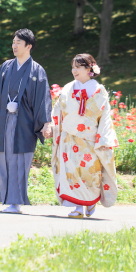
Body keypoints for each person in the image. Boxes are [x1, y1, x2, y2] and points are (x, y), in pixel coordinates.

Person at [0, 29, 53, 214]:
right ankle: (7, 199)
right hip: (3, 119)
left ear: (29, 46)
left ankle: (16, 202)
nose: (14, 46)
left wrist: (46, 123)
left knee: (19, 160)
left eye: (18, 42)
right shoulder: (6, 67)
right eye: (13, 42)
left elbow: (44, 98)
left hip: (24, 122)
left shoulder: (37, 70)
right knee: (2, 158)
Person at [51, 53, 118, 218]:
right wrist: (53, 125)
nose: (74, 70)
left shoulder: (98, 90)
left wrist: (104, 138)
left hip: (89, 139)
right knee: (71, 173)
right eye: (73, 67)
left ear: (89, 69)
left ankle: (89, 202)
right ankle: (78, 208)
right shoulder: (68, 88)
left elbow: (104, 116)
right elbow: (58, 109)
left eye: (78, 67)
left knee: (90, 172)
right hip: (69, 138)